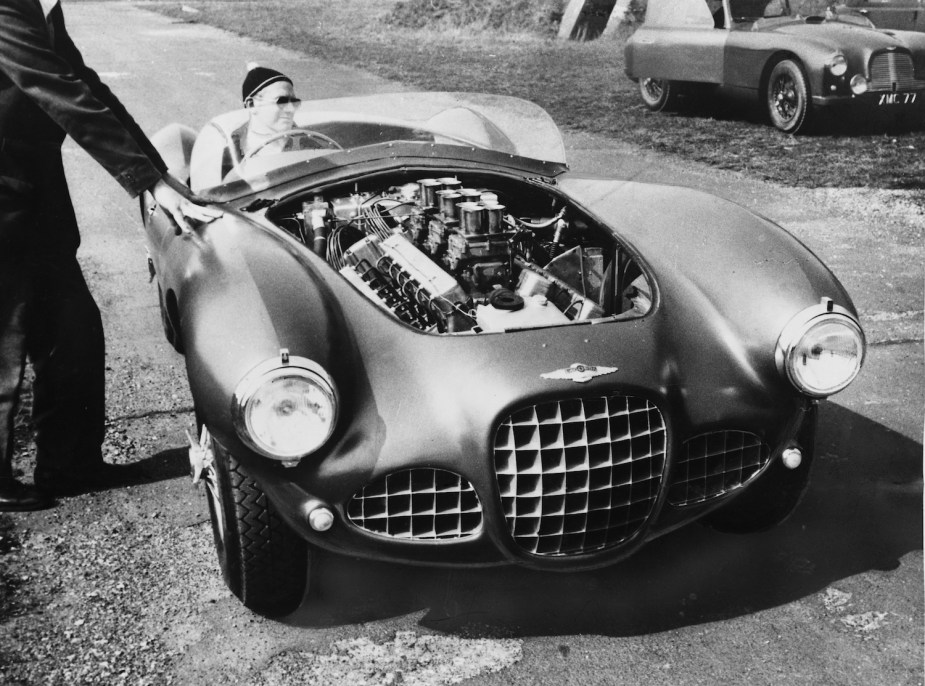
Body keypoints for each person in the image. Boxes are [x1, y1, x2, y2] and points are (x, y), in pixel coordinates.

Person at [0, 0, 222, 510]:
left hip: (33, 190)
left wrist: (156, 174)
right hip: (4, 197)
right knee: (4, 337)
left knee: (72, 328)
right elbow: (59, 90)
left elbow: (87, 85)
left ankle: (69, 464)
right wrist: (143, 181)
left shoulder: (40, 5)